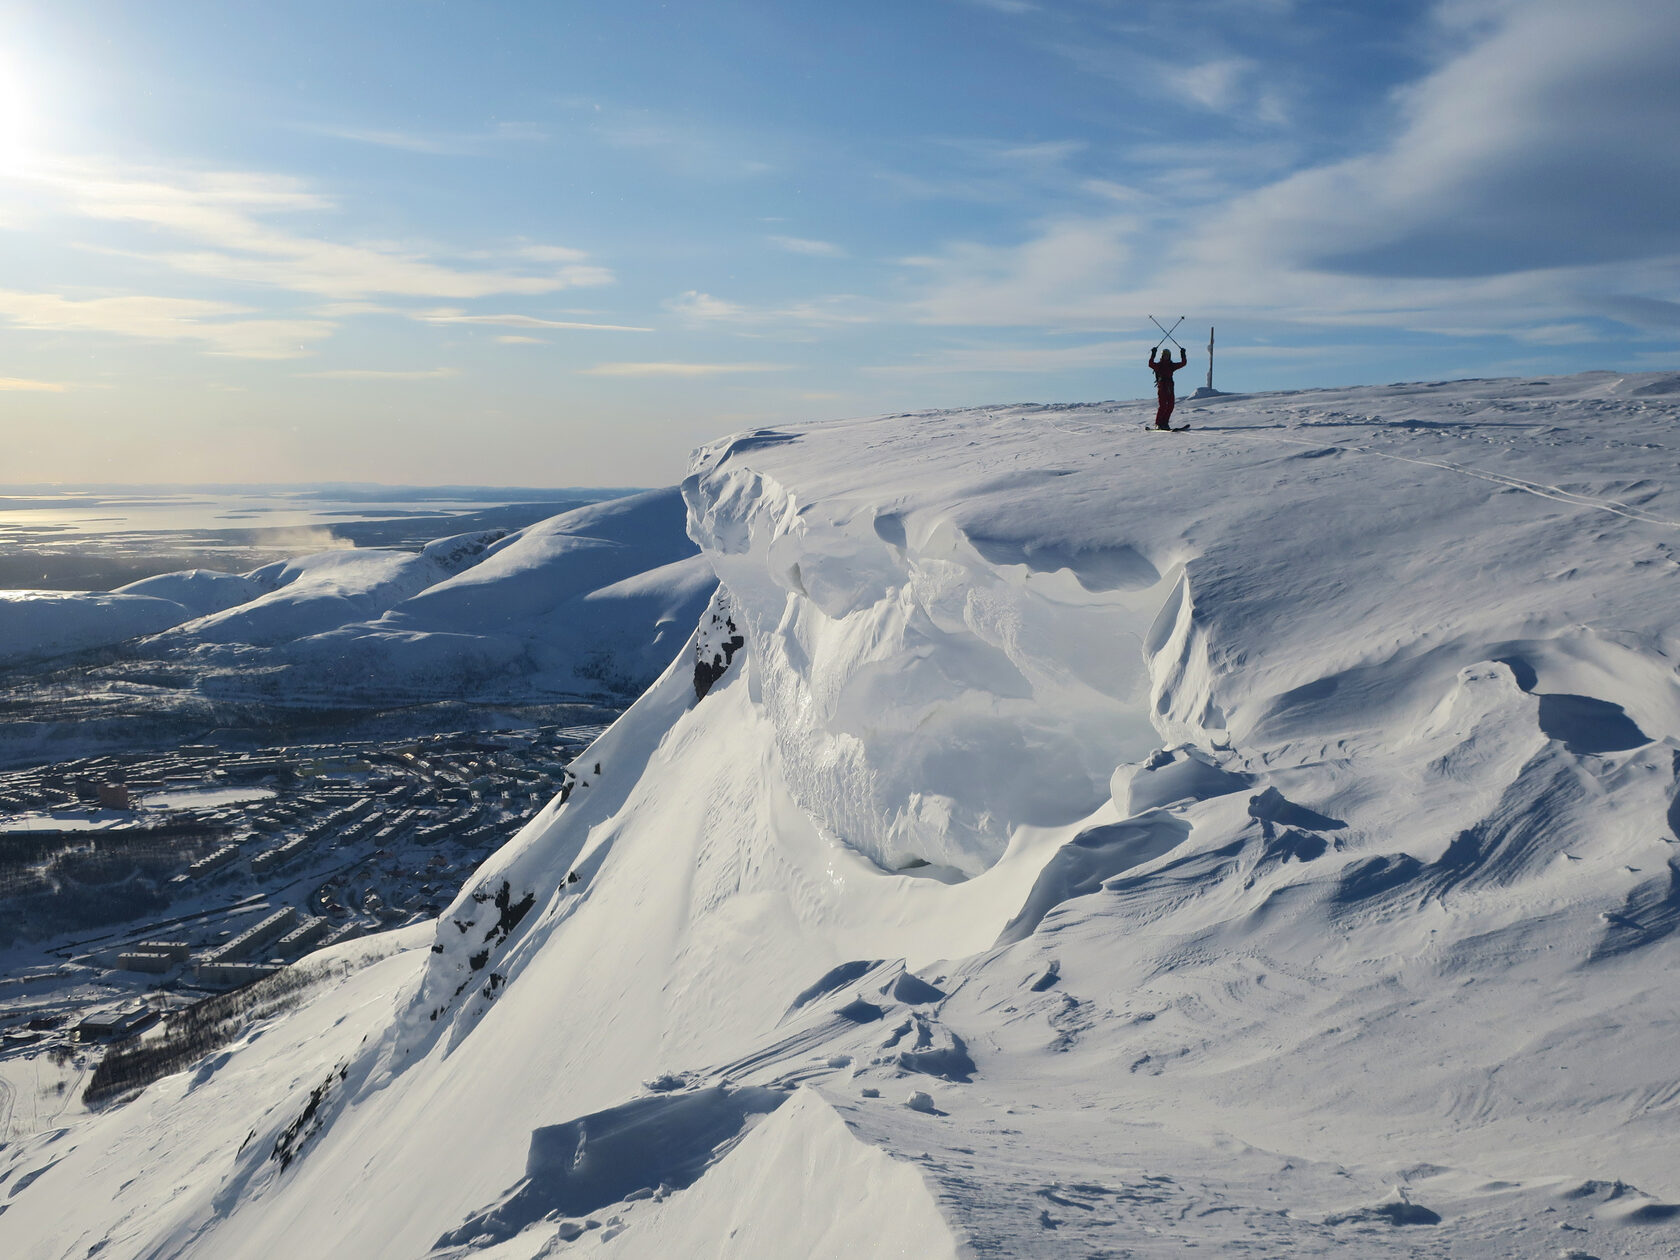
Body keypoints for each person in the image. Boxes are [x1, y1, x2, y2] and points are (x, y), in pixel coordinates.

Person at [1149, 344, 1188, 429]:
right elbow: (1150, 364)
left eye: (1167, 355)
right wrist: (1153, 354)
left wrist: (1183, 354)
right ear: (1162, 356)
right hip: (1162, 387)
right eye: (1164, 355)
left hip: (1170, 388)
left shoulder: (1171, 365)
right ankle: (1158, 424)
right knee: (1163, 406)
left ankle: (1165, 423)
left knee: (1170, 406)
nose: (1166, 357)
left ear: (1169, 356)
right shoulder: (1159, 365)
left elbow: (1183, 363)